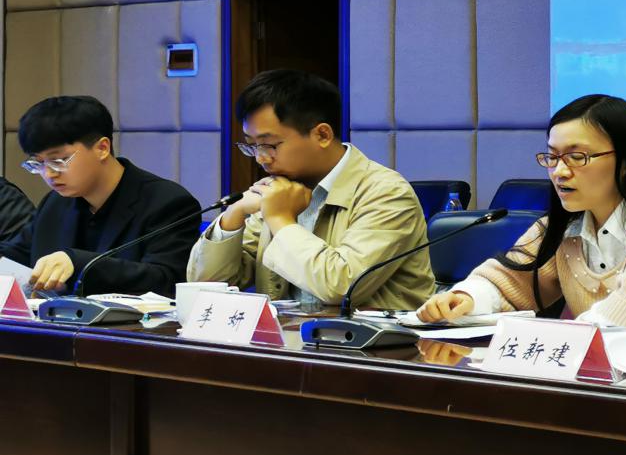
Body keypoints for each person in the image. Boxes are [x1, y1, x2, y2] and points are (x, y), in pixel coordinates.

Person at [417, 94, 626, 330]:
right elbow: (510, 280)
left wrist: (558, 340)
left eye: (577, 157)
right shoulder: (565, 226)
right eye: (552, 157)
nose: (559, 172)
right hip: (598, 380)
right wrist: (465, 298)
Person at [188, 69, 433, 311]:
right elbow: (206, 287)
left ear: (322, 135)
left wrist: (280, 220)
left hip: (364, 337)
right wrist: (234, 214)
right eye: (252, 145)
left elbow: (342, 286)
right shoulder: (280, 189)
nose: (261, 158)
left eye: (269, 145)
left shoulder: (386, 193)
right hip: (286, 335)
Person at [0, 96, 200, 295]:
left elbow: (166, 280)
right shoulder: (55, 203)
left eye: (58, 161)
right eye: (38, 163)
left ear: (102, 148)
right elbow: (13, 255)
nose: (49, 174)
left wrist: (78, 263)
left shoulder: (168, 202)